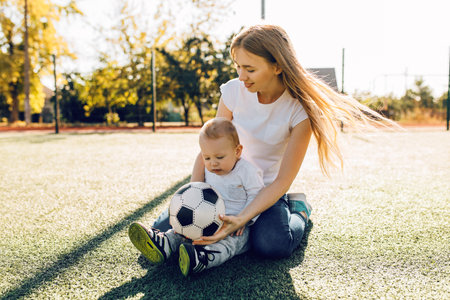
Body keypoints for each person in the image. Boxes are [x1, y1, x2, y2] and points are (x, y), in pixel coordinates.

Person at [153, 24, 391, 259]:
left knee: (272, 245)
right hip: (221, 187)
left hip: (264, 192)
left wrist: (243, 217)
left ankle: (299, 210)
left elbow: (282, 181)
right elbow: (210, 147)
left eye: (249, 69)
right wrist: (197, 194)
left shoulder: (300, 111)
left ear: (276, 66)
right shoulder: (233, 92)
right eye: (238, 67)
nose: (241, 76)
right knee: (164, 229)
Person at [128, 118, 264, 276]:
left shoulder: (247, 171)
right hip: (206, 219)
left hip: (235, 227)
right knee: (182, 228)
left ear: (237, 151)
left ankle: (202, 258)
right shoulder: (209, 170)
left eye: (219, 157)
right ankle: (165, 244)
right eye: (207, 158)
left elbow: (257, 196)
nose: (213, 163)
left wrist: (244, 219)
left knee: (229, 244)